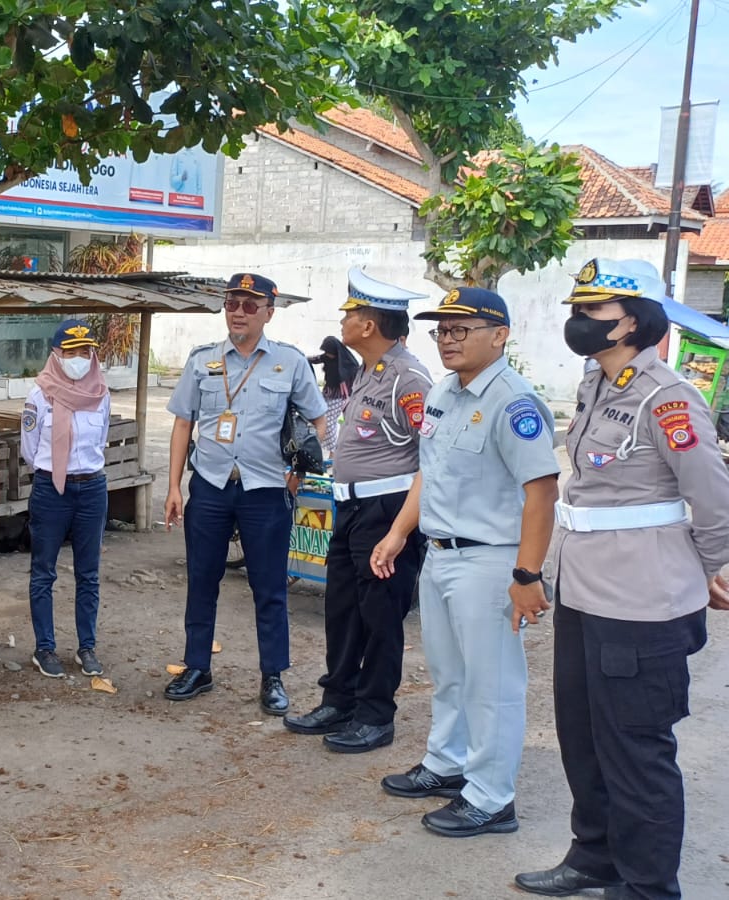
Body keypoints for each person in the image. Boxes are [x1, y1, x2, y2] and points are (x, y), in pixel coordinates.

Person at [514, 260, 729, 899]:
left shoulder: (668, 398)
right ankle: (595, 858)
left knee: (636, 750)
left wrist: (713, 565)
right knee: (583, 737)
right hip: (585, 589)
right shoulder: (598, 385)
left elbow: (713, 496)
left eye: (593, 313)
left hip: (643, 599)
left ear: (630, 321)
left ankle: (647, 886)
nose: (577, 323)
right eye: (576, 310)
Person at [370, 287, 559, 838]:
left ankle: (492, 797)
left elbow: (542, 493)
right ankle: (448, 764)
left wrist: (526, 575)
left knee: (492, 683)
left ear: (499, 335)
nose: (447, 340)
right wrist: (399, 533)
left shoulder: (514, 402)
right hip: (440, 553)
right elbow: (430, 472)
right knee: (449, 674)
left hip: (489, 562)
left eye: (460, 329)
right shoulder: (445, 393)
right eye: (441, 330)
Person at [163, 273, 328, 714]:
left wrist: (299, 476)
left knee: (269, 587)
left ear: (268, 313)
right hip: (212, 488)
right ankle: (197, 667)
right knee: (201, 581)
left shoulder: (290, 363)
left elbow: (319, 421)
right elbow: (183, 423)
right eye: (232, 303)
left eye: (249, 305)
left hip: (266, 491)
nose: (238, 312)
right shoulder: (202, 361)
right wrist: (174, 486)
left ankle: (272, 676)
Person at [286, 269, 431, 753]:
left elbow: (429, 461)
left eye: (351, 313)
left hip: (387, 511)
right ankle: (339, 698)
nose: (344, 320)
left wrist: (400, 530)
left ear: (368, 326)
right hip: (350, 507)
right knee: (343, 607)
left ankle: (375, 715)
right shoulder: (369, 370)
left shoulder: (409, 379)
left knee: (381, 616)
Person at [21, 320, 114, 677]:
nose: (79, 358)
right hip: (51, 489)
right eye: (71, 352)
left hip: (92, 489)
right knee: (43, 571)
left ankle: (86, 647)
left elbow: (101, 438)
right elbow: (31, 451)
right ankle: (45, 648)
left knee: (88, 573)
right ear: (56, 355)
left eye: (85, 351)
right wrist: (56, 471)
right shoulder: (38, 396)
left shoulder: (101, 393)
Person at [309, 335, 359, 453]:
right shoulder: (327, 358)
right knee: (319, 418)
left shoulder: (347, 363)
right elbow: (315, 359)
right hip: (327, 393)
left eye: (329, 352)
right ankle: (329, 448)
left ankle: (333, 451)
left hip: (339, 397)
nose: (327, 354)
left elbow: (355, 374)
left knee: (329, 422)